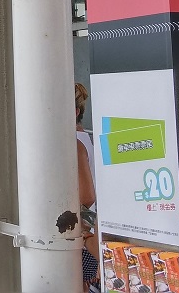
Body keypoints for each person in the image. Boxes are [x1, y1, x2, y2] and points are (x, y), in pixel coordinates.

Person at [74, 83, 98, 292]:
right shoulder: (87, 137)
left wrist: (83, 233)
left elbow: (87, 197)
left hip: (84, 239)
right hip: (93, 237)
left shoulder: (74, 143)